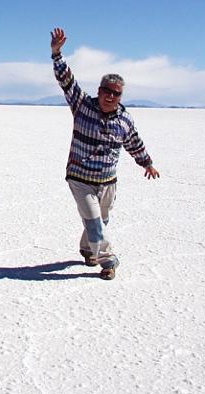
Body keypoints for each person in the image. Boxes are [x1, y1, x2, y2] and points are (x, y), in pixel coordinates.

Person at [50, 27, 160, 280]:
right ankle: (108, 261)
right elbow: (67, 81)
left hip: (108, 181)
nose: (110, 96)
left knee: (100, 220)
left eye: (115, 93)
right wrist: (57, 54)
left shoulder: (124, 120)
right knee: (93, 219)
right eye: (106, 91)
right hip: (80, 178)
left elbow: (133, 142)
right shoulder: (82, 105)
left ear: (120, 95)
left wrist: (147, 163)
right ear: (98, 90)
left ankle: (87, 248)